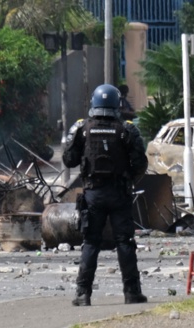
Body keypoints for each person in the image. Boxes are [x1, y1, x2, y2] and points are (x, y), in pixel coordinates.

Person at [62, 84, 148, 306]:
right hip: (119, 193)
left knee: (90, 242)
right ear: (117, 104)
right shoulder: (126, 129)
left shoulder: (82, 128)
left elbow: (68, 160)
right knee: (125, 242)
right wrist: (129, 179)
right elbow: (140, 163)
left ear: (93, 103)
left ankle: (83, 294)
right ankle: (131, 293)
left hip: (93, 194)